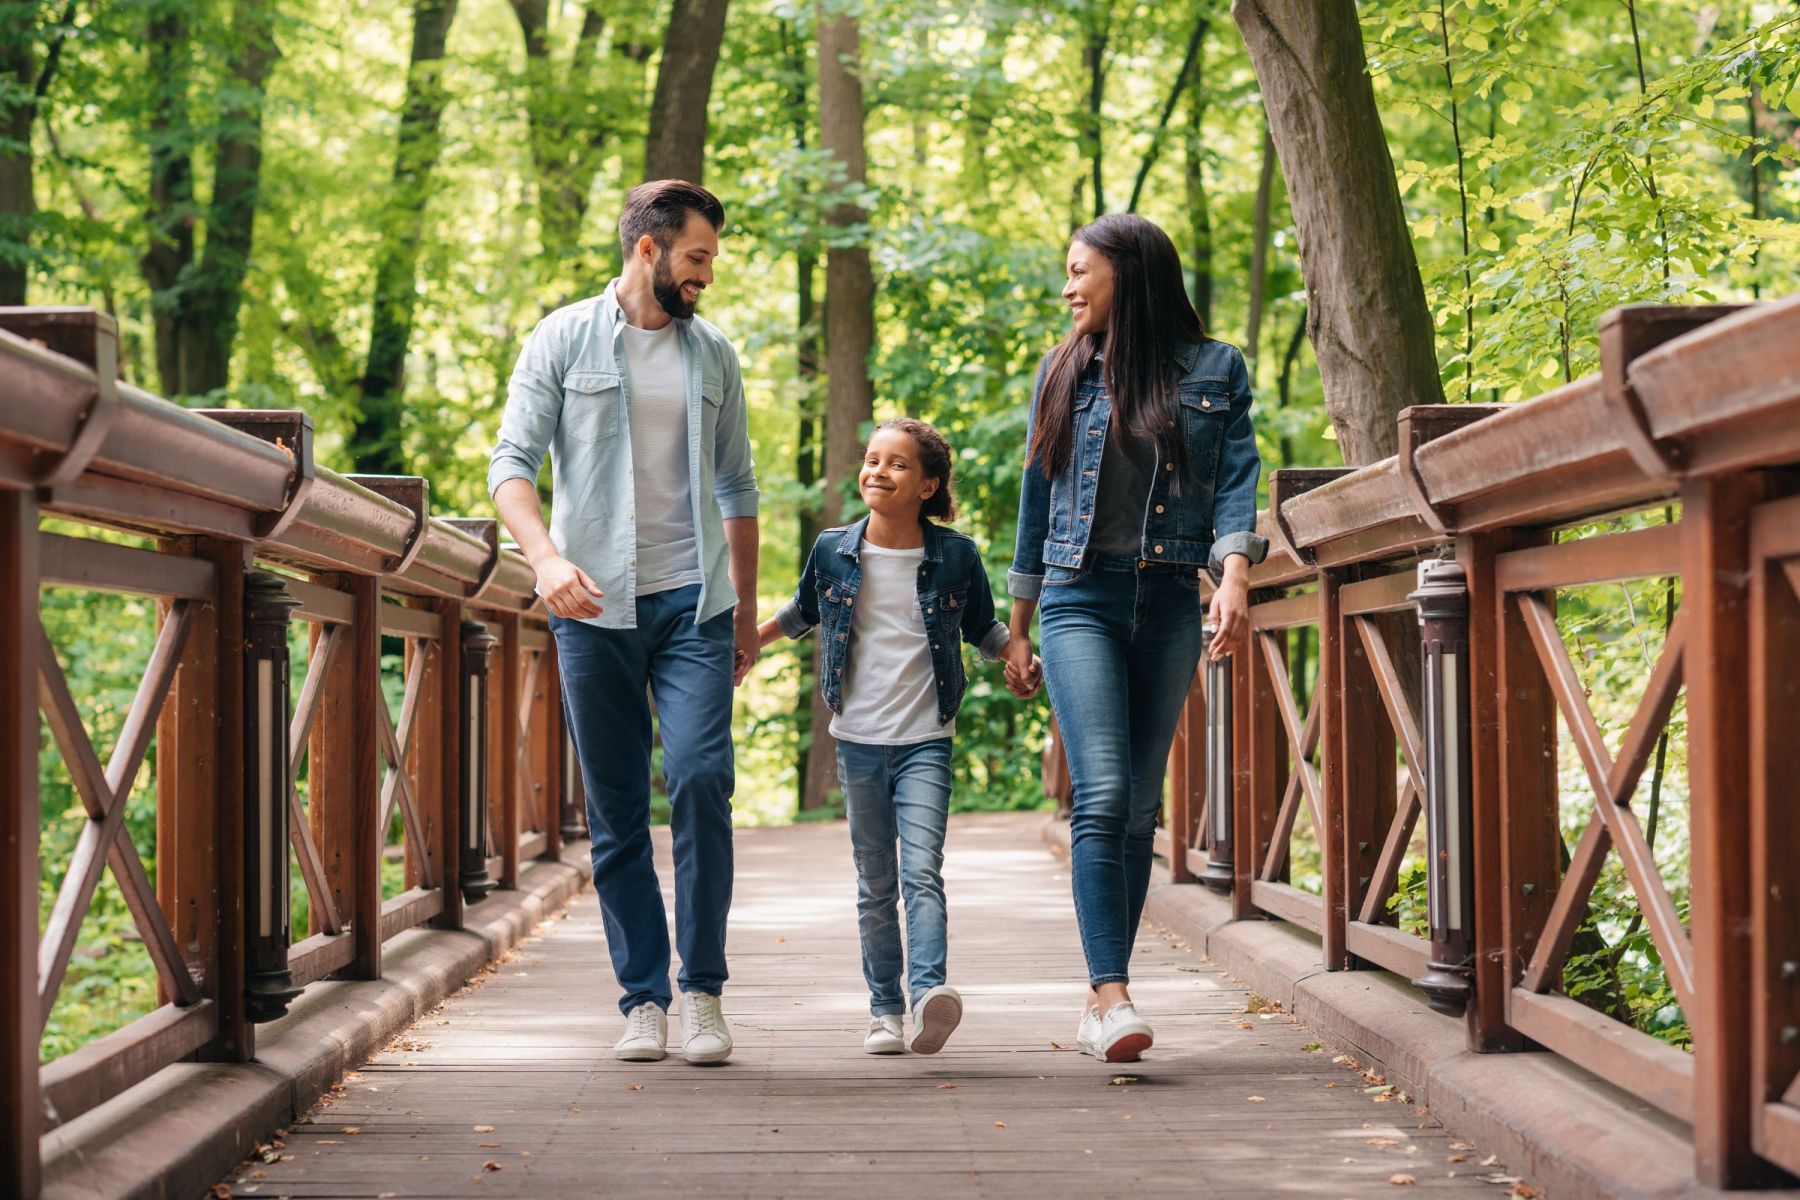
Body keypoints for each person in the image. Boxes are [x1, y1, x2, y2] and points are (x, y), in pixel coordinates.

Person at [489, 180, 760, 1066]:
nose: (706, 274)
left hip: (695, 605)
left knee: (699, 780)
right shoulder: (561, 338)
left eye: (710, 258)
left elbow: (738, 490)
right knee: (614, 809)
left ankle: (704, 993)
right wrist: (545, 558)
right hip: (592, 607)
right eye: (697, 256)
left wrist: (745, 614)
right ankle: (642, 996)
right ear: (648, 250)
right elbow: (511, 465)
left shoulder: (713, 355)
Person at [1001, 213, 1267, 1064]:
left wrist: (1233, 572)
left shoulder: (1215, 370)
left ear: (1132, 273)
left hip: (1168, 602)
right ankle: (1112, 993)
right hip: (1080, 596)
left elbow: (1236, 481)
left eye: (1081, 271)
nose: (1069, 287)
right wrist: (1016, 621)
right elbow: (1036, 501)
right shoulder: (1063, 370)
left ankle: (1100, 999)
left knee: (1141, 807)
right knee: (1105, 791)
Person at [760, 418, 1040, 1055]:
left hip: (925, 739)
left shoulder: (956, 556)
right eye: (871, 460)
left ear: (927, 485)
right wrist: (747, 642)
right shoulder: (833, 549)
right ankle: (884, 1009)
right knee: (875, 880)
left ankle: (930, 994)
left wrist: (1020, 658)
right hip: (856, 739)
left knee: (921, 871)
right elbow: (801, 612)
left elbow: (983, 627)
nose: (877, 472)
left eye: (897, 464)